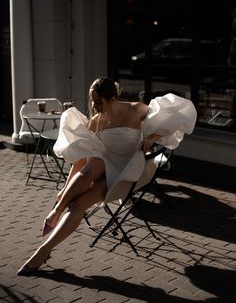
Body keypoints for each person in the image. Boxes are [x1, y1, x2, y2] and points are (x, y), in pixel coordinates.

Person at [17, 77, 196, 276]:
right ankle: (50, 232)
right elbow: (81, 160)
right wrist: (65, 190)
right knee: (91, 170)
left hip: (126, 173)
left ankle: (48, 237)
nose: (95, 106)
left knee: (85, 188)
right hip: (99, 169)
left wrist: (152, 138)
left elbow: (173, 120)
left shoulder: (136, 110)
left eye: (99, 101)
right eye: (92, 101)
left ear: (112, 98)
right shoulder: (96, 121)